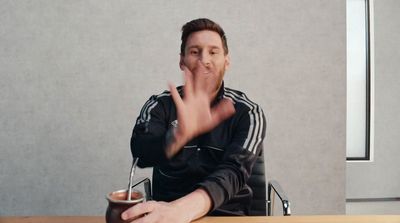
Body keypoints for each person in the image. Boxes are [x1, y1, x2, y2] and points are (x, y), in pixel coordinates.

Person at [122, 18, 266, 223]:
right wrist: (176, 136)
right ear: (182, 60)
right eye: (194, 52)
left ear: (227, 60)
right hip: (166, 215)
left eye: (213, 52)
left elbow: (234, 171)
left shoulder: (248, 112)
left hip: (228, 217)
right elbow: (140, 152)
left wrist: (182, 210)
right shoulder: (160, 105)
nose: (204, 60)